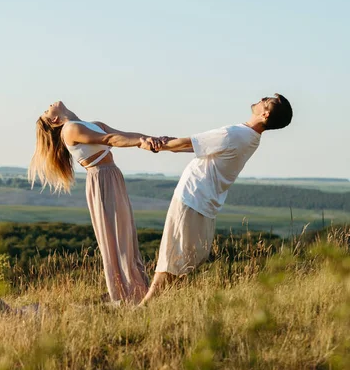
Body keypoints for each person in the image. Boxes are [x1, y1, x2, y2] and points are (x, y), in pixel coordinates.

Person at [138, 93, 293, 306]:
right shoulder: (251, 138)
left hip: (193, 196)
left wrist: (157, 144)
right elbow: (191, 145)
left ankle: (145, 306)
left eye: (266, 100)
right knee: (185, 257)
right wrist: (166, 143)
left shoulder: (235, 134)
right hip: (204, 201)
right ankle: (157, 303)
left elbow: (189, 144)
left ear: (265, 114)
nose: (261, 98)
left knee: (173, 255)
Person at [28, 101, 161, 304]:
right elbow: (110, 139)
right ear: (55, 120)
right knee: (117, 237)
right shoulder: (70, 129)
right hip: (102, 181)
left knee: (126, 235)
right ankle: (126, 294)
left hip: (112, 176)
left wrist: (150, 141)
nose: (49, 105)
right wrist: (142, 141)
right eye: (47, 111)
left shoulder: (91, 124)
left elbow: (124, 135)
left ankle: (137, 290)